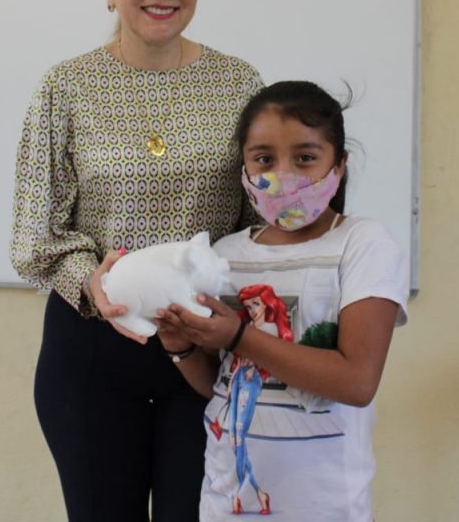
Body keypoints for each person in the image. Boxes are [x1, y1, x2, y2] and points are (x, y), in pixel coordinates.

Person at [9, 0, 265, 522]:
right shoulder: (66, 86)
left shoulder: (240, 84)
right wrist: (91, 282)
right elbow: (34, 234)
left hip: (204, 351)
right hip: (94, 347)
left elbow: (257, 219)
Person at [156, 81, 410, 520]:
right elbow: (220, 384)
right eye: (264, 159)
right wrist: (181, 349)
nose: (283, 175)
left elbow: (357, 383)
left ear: (340, 164)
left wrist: (238, 335)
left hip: (324, 506)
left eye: (305, 158)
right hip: (225, 502)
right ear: (244, 166)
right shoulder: (224, 255)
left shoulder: (363, 244)